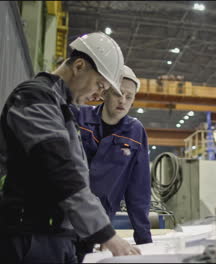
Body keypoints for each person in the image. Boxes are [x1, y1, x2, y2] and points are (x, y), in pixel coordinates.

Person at [0, 32, 141, 263]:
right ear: (78, 66)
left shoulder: (61, 108)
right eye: (99, 85)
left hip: (54, 235)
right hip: (29, 236)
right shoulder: (34, 98)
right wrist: (106, 234)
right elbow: (60, 171)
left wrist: (86, 235)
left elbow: (75, 175)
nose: (98, 95)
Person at [73, 65, 152, 260]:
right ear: (105, 92)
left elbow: (138, 190)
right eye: (118, 93)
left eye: (129, 97)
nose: (123, 101)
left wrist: (145, 242)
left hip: (100, 223)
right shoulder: (78, 117)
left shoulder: (135, 131)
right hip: (65, 217)